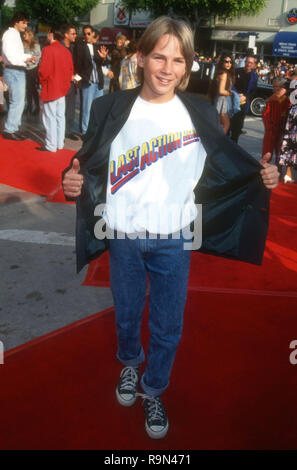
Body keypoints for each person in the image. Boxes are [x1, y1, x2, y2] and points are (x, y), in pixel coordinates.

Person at [62, 17, 279, 440]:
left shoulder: (199, 110)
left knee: (167, 323)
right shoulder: (110, 107)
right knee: (126, 317)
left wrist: (264, 177)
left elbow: (229, 165)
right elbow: (85, 164)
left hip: (175, 238)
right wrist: (70, 185)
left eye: (178, 60)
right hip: (122, 233)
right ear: (140, 57)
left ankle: (154, 387)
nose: (167, 68)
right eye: (159, 56)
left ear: (189, 66)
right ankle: (129, 364)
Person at [1, 12, 36, 141]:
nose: (25, 25)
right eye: (24, 22)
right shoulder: (9, 35)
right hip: (14, 70)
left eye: (26, 23)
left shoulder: (15, 35)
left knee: (19, 102)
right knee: (17, 101)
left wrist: (27, 58)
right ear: (16, 22)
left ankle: (13, 128)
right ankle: (10, 129)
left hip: (17, 70)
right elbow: (10, 56)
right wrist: (25, 60)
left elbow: (15, 55)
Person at [38, 27, 73, 152]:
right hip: (62, 89)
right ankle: (59, 143)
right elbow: (70, 71)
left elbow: (44, 71)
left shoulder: (47, 50)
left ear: (51, 35)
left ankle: (51, 145)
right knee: (60, 117)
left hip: (51, 87)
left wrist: (42, 82)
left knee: (50, 117)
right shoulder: (66, 51)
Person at [74, 25, 108, 136]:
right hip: (87, 81)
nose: (86, 36)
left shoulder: (97, 46)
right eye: (84, 34)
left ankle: (95, 130)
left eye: (88, 33)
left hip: (98, 82)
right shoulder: (80, 47)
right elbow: (77, 65)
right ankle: (85, 132)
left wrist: (103, 58)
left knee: (98, 108)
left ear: (93, 34)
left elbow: (104, 63)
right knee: (86, 108)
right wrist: (77, 80)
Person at [229, 55, 258, 143]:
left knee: (237, 129)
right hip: (232, 101)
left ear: (254, 65)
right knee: (227, 126)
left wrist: (245, 97)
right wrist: (236, 95)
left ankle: (233, 148)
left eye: (250, 63)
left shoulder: (254, 76)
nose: (248, 64)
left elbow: (253, 91)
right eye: (247, 62)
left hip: (243, 104)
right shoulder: (237, 71)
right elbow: (230, 84)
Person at [262, 77, 290, 165]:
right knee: (267, 150)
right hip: (271, 128)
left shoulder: (287, 100)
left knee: (280, 150)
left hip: (282, 128)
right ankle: (264, 166)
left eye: (278, 86)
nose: (276, 88)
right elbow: (265, 115)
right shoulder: (271, 101)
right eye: (274, 86)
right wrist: (269, 126)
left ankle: (279, 168)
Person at [60, 24, 79, 141]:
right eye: (73, 33)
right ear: (66, 35)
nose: (75, 35)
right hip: (62, 83)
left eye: (75, 33)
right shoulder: (59, 48)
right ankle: (60, 132)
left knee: (71, 108)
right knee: (61, 109)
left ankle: (68, 131)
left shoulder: (73, 48)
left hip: (72, 83)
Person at [208, 52, 235, 134]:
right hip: (222, 100)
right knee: (226, 125)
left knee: (219, 124)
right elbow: (221, 90)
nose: (228, 64)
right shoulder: (224, 73)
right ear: (222, 62)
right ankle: (219, 142)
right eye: (226, 61)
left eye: (230, 62)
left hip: (219, 100)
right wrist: (232, 94)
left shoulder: (220, 72)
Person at [279, 71, 297, 183]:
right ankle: (288, 174)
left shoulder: (291, 79)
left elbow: (279, 95)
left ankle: (288, 174)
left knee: (291, 144)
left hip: (293, 114)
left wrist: (269, 100)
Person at [23, 28, 41, 115]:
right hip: (25, 68)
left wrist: (33, 60)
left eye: (25, 34)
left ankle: (37, 107)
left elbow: (38, 57)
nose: (24, 36)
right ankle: (29, 107)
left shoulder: (35, 45)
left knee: (33, 89)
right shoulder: (23, 45)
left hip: (33, 69)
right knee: (28, 89)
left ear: (30, 35)